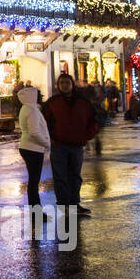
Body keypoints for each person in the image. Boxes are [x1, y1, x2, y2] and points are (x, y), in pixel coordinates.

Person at [43, 73, 99, 216]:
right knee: (60, 176)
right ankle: (64, 205)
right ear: (58, 85)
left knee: (75, 176)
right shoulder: (52, 102)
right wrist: (51, 137)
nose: (64, 85)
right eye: (61, 83)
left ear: (72, 84)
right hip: (59, 145)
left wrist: (86, 136)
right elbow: (44, 122)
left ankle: (74, 204)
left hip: (77, 145)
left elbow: (93, 120)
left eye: (67, 82)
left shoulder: (83, 102)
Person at [16, 84, 50, 208]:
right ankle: (36, 210)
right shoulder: (32, 110)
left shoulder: (26, 108)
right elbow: (34, 132)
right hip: (33, 148)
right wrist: (46, 143)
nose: (40, 97)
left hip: (28, 147)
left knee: (33, 181)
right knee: (34, 181)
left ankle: (36, 209)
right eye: (38, 95)